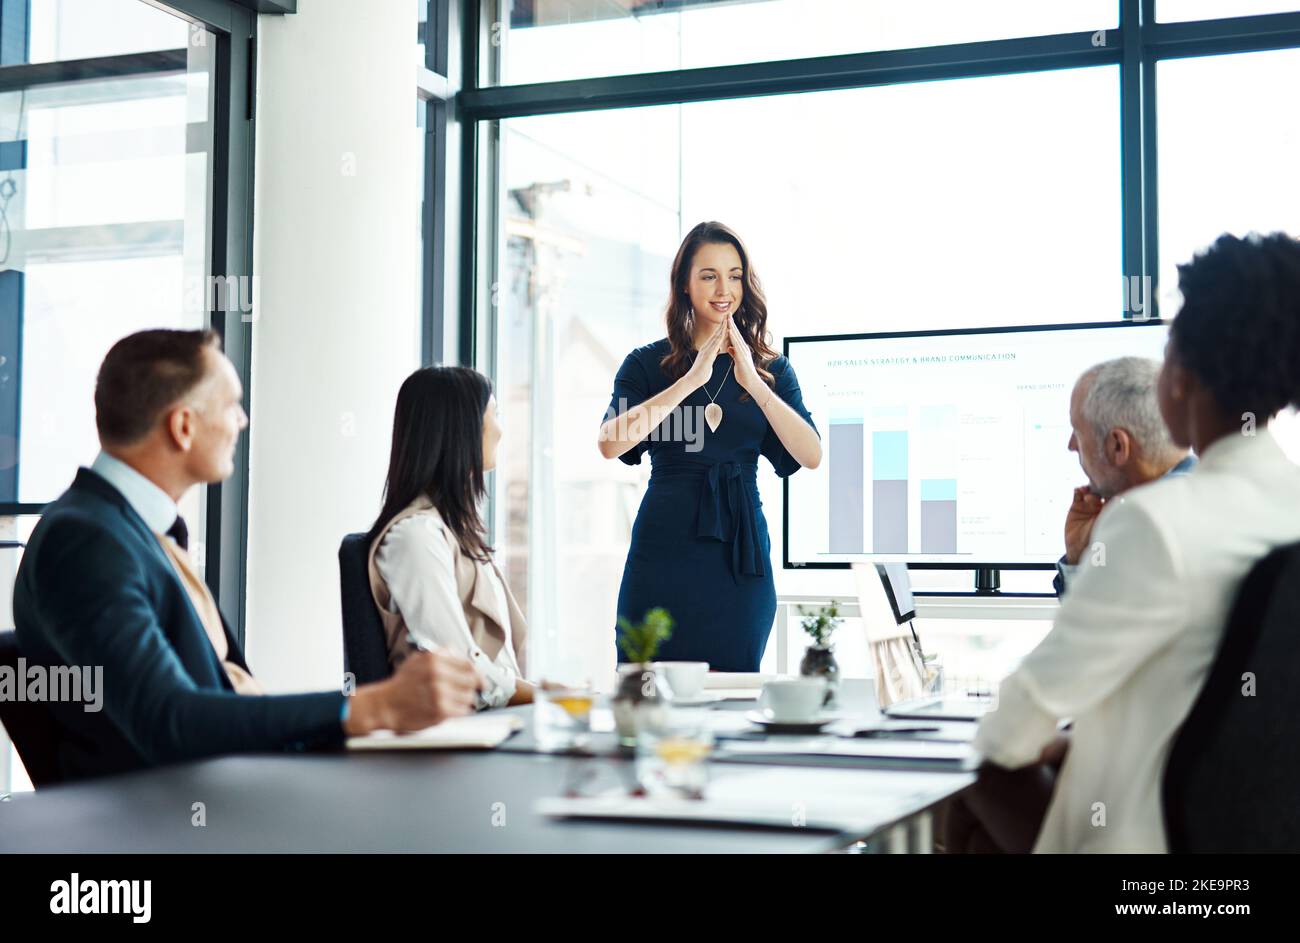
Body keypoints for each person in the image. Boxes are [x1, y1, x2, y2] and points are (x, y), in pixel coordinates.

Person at [948, 232, 1300, 853]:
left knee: (981, 772)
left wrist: (1045, 743)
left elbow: (1010, 729)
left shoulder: (1157, 520)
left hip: (1146, 850)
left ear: (1182, 380)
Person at [13, 330, 479, 782]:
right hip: (172, 816)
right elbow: (168, 719)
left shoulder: (127, 529)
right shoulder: (85, 541)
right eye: (231, 405)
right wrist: (374, 706)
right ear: (183, 426)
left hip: (226, 787)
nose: (242, 420)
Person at [598, 221, 821, 671]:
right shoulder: (645, 364)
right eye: (709, 275)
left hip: (739, 563)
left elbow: (810, 454)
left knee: (735, 699)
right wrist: (692, 379)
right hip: (662, 554)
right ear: (684, 282)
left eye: (735, 275)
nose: (724, 289)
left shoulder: (773, 369)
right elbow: (609, 442)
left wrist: (754, 384)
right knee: (646, 693)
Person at [367, 366, 533, 709]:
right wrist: (550, 697)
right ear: (463, 429)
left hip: (492, 724)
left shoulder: (455, 533)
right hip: (458, 738)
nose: (500, 431)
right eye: (495, 414)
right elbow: (460, 667)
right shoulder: (415, 536)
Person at [1055, 356, 1195, 595]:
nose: (1071, 445)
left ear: (1118, 446)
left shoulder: (1146, 520)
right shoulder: (1199, 496)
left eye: (1077, 432)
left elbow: (1092, 628)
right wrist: (1081, 555)